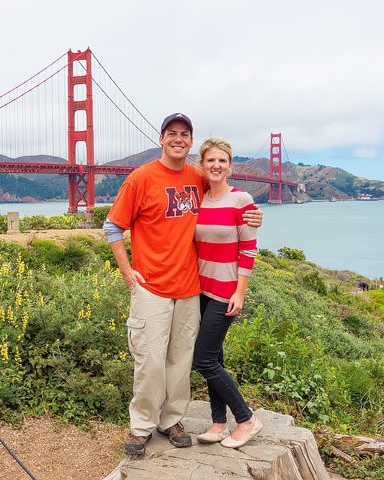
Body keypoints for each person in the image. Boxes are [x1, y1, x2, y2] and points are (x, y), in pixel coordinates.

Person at [103, 113, 262, 456]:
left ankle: (171, 420)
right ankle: (142, 426)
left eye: (184, 134)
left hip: (191, 289)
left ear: (191, 142)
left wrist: (254, 214)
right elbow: (113, 227)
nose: (178, 138)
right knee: (149, 361)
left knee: (180, 362)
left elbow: (227, 200)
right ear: (161, 138)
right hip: (152, 288)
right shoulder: (140, 178)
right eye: (171, 133)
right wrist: (127, 271)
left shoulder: (197, 176)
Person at [192, 137, 263, 448]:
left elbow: (249, 250)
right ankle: (219, 422)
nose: (216, 165)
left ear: (230, 166)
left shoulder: (242, 200)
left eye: (222, 161)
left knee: (203, 360)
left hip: (225, 293)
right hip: (200, 290)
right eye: (210, 161)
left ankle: (246, 419)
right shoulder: (199, 199)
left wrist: (240, 292)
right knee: (215, 357)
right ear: (202, 165)